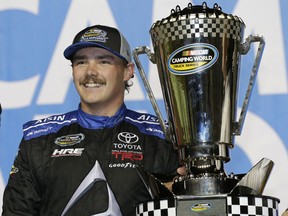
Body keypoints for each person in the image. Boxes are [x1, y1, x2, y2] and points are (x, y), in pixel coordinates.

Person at [2, 25, 183, 216]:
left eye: (103, 62)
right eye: (81, 62)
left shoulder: (164, 138)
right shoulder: (39, 141)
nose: (90, 72)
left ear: (127, 71)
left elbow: (191, 209)